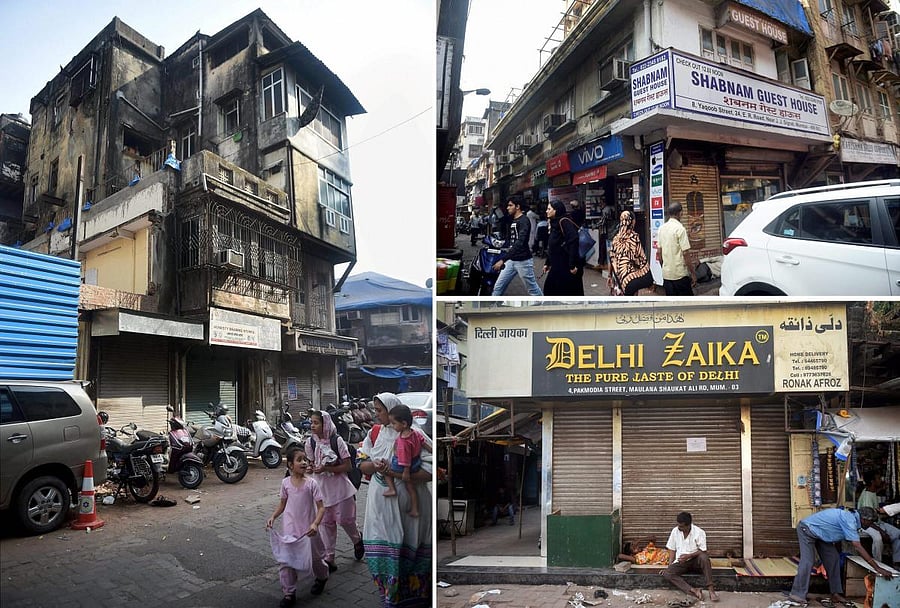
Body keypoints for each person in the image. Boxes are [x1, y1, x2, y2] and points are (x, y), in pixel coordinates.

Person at [358, 393, 432, 607]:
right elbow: (362, 464)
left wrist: (398, 474)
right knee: (382, 555)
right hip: (381, 509)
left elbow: (430, 468)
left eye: (380, 410)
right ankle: (389, 597)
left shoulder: (415, 434)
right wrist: (377, 467)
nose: (376, 414)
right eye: (376, 410)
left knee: (411, 557)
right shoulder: (374, 434)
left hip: (410, 511)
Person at [787, 507, 893, 607]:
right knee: (807, 561)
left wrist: (832, 554)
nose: (871, 525)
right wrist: (877, 568)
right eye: (871, 522)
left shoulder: (854, 520)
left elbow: (837, 537)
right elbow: (858, 546)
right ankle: (797, 595)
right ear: (864, 519)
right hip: (807, 529)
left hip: (821, 534)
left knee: (834, 559)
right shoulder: (850, 521)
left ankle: (835, 593)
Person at [266, 447, 329, 607]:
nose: (304, 462)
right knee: (286, 562)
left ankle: (322, 577)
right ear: (290, 465)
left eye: (305, 459)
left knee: (315, 559)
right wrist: (273, 516)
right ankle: (289, 593)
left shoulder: (312, 483)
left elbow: (321, 507)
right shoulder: (285, 483)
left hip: (309, 530)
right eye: (299, 459)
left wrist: (315, 523)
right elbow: (282, 504)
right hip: (290, 529)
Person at [304, 410, 365, 572]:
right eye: (311, 422)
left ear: (325, 424)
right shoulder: (310, 443)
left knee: (346, 520)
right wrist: (311, 468)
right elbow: (310, 463)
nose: (313, 426)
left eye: (316, 422)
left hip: (341, 489)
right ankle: (329, 558)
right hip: (321, 490)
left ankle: (357, 540)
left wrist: (327, 467)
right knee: (326, 524)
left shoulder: (336, 441)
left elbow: (348, 466)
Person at [662, 511, 720, 602]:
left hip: (696, 561)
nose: (679, 528)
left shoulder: (699, 532)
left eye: (681, 526)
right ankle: (693, 590)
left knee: (704, 557)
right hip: (681, 562)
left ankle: (711, 590)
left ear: (688, 525)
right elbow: (672, 549)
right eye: (678, 525)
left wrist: (689, 555)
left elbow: (703, 550)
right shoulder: (675, 531)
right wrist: (670, 566)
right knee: (667, 573)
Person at [491, 198, 543, 296]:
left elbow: (520, 242)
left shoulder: (524, 220)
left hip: (523, 261)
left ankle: (544, 306)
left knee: (532, 290)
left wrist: (503, 260)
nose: (508, 208)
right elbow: (502, 220)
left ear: (518, 207)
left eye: (510, 205)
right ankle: (492, 307)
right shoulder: (513, 220)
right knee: (498, 287)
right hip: (511, 260)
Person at [382, 404, 426, 518]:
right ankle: (415, 509)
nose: (393, 426)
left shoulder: (403, 440)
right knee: (410, 487)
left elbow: (405, 458)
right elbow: (423, 442)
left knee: (384, 468)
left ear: (404, 424)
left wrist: (406, 472)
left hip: (404, 466)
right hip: (416, 462)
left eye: (394, 423)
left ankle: (391, 489)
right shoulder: (415, 432)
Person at [607, 210, 654, 296]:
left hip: (617, 279)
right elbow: (641, 258)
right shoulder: (634, 238)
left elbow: (611, 259)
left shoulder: (615, 239)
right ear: (632, 221)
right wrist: (648, 280)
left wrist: (609, 276)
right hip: (629, 281)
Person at [543, 200, 584, 296]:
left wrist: (572, 265)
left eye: (549, 209)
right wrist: (547, 263)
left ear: (556, 210)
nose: (546, 211)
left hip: (566, 266)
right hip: (557, 265)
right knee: (551, 289)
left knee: (569, 293)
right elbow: (553, 245)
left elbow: (573, 240)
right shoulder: (554, 224)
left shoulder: (564, 221)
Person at [657, 201, 696, 296]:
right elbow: (686, 253)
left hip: (667, 275)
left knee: (672, 305)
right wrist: (693, 273)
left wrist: (664, 266)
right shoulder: (680, 229)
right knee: (687, 305)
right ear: (680, 213)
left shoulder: (661, 229)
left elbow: (659, 252)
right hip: (680, 275)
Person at [600, 199, 619, 268]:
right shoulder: (610, 209)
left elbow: (602, 221)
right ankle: (604, 262)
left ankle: (603, 263)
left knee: (603, 246)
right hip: (609, 229)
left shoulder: (606, 210)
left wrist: (595, 225)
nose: (600, 204)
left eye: (601, 203)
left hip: (606, 230)